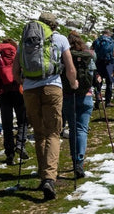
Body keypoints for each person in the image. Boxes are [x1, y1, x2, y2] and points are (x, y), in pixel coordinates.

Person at [16, 12, 77, 200]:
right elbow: (70, 67)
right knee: (53, 132)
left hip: (30, 90)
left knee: (40, 133)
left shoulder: (26, 40)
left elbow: (14, 71)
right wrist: (73, 83)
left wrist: (23, 84)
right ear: (54, 25)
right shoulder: (59, 39)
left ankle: (44, 175)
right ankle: (50, 178)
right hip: (52, 87)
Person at [62, 32, 95, 178]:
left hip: (69, 96)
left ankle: (74, 161)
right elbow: (93, 74)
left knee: (73, 129)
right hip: (86, 96)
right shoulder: (88, 55)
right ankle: (79, 161)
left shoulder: (65, 55)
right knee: (82, 130)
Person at [0, 37, 27, 166]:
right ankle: (20, 144)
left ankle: (9, 155)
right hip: (18, 90)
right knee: (22, 120)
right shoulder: (16, 54)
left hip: (3, 93)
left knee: (7, 125)